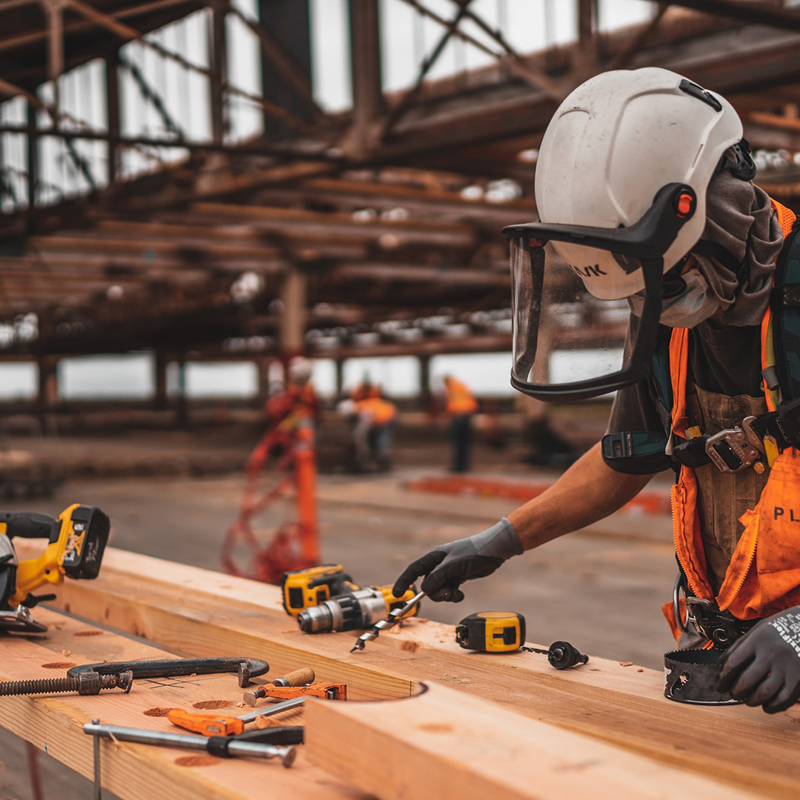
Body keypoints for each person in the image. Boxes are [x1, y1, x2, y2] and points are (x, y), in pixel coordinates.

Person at [393, 67, 800, 714]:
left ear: (717, 207)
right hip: (731, 646)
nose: (657, 305)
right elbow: (628, 456)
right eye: (643, 290)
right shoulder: (672, 317)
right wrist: (500, 539)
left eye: (668, 280)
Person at [440, 375, 478, 473]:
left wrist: (450, 414)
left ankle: (458, 466)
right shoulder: (461, 385)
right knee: (464, 442)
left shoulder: (451, 388)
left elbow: (452, 402)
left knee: (457, 442)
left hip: (458, 415)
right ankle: (464, 465)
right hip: (467, 414)